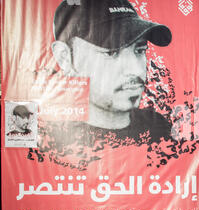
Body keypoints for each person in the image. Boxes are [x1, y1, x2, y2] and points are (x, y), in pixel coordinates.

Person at [35, 0, 174, 169]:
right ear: (65, 58)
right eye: (111, 52)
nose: (135, 70)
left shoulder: (161, 129)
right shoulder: (48, 141)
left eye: (140, 50)